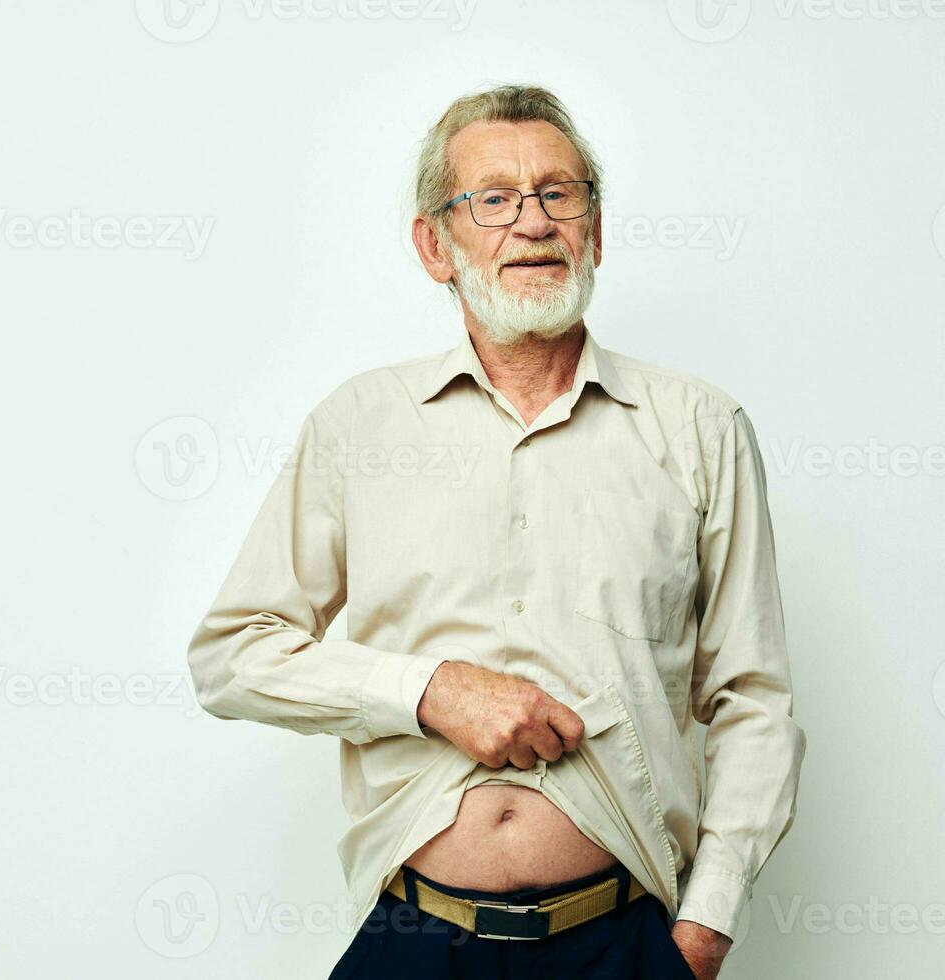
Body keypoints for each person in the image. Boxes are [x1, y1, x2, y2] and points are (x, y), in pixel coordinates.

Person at [186, 83, 805, 979]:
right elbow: (233, 655)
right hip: (411, 940)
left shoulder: (701, 427)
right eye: (495, 199)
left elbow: (755, 699)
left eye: (561, 193)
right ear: (436, 244)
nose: (534, 222)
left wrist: (705, 929)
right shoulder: (359, 425)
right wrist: (431, 689)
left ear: (595, 229)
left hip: (625, 945)